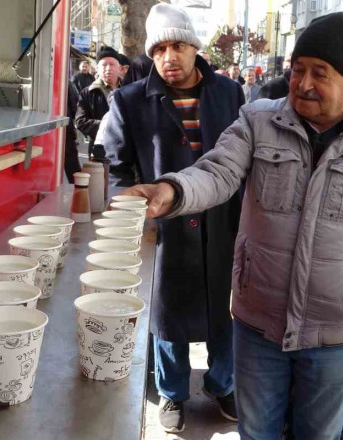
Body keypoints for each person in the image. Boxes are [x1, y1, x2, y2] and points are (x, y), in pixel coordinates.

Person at [118, 12, 343, 439]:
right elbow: (216, 171)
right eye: (298, 70)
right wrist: (171, 191)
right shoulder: (259, 121)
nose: (302, 84)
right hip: (258, 324)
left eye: (319, 73)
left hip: (334, 332)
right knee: (257, 432)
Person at [100, 3, 245, 433]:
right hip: (165, 226)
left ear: (194, 47)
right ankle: (173, 391)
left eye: (177, 45)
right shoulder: (129, 100)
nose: (169, 57)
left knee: (225, 309)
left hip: (222, 221)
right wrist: (132, 208)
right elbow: (118, 164)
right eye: (160, 48)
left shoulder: (229, 94)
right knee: (168, 313)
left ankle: (223, 384)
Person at [74, 48, 121, 157]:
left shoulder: (129, 89)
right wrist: (108, 126)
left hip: (126, 149)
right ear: (97, 68)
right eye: (104, 65)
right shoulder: (88, 92)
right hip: (99, 148)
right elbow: (80, 121)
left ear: (119, 67)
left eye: (112, 64)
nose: (108, 68)